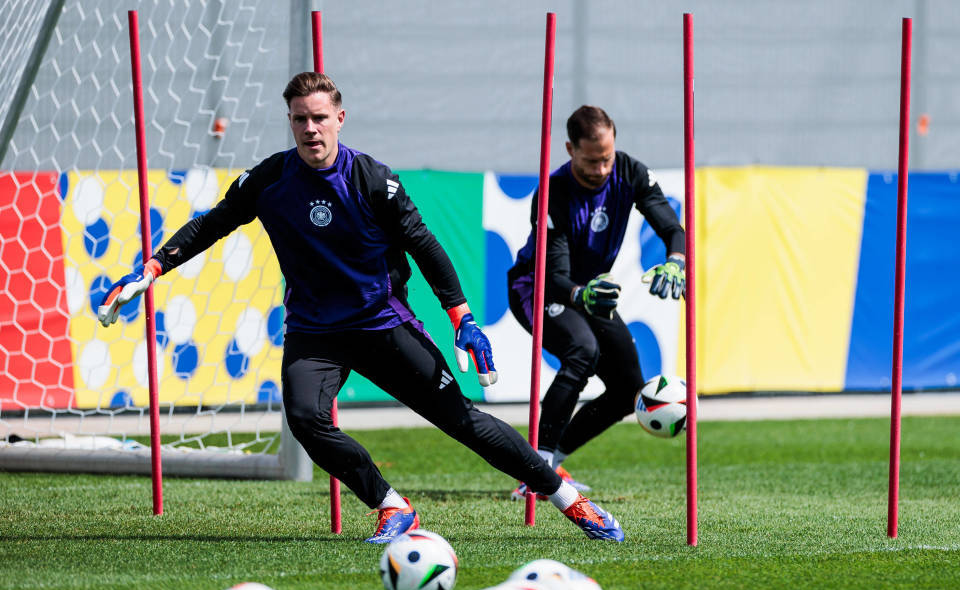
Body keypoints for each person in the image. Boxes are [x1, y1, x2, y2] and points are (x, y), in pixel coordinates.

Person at [97, 73, 623, 543]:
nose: (310, 129)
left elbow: (425, 244)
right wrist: (153, 267)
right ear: (290, 121)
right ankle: (392, 506)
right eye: (300, 119)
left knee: (463, 422)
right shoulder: (269, 179)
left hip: (383, 325)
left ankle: (567, 499)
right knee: (305, 419)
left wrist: (461, 317)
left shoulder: (372, 179)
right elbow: (211, 224)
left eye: (320, 118)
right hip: (314, 331)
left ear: (340, 118)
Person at [507, 105, 685, 500]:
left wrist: (676, 261)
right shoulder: (554, 192)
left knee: (627, 390)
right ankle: (536, 473)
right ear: (570, 149)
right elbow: (555, 277)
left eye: (606, 158)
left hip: (589, 292)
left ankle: (552, 466)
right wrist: (582, 295)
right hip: (537, 288)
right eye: (591, 161)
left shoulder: (630, 172)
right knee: (582, 351)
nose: (601, 169)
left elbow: (673, 228)